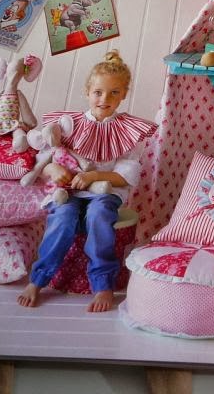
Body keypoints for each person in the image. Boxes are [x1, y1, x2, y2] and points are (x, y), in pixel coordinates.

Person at [17, 50, 156, 312]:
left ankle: (103, 283)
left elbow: (126, 175)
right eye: (98, 92)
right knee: (63, 217)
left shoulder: (127, 130)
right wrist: (53, 170)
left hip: (105, 190)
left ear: (124, 95)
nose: (105, 99)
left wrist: (94, 176)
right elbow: (46, 157)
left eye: (114, 93)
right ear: (87, 91)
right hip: (67, 191)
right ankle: (38, 279)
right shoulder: (69, 125)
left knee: (99, 215)